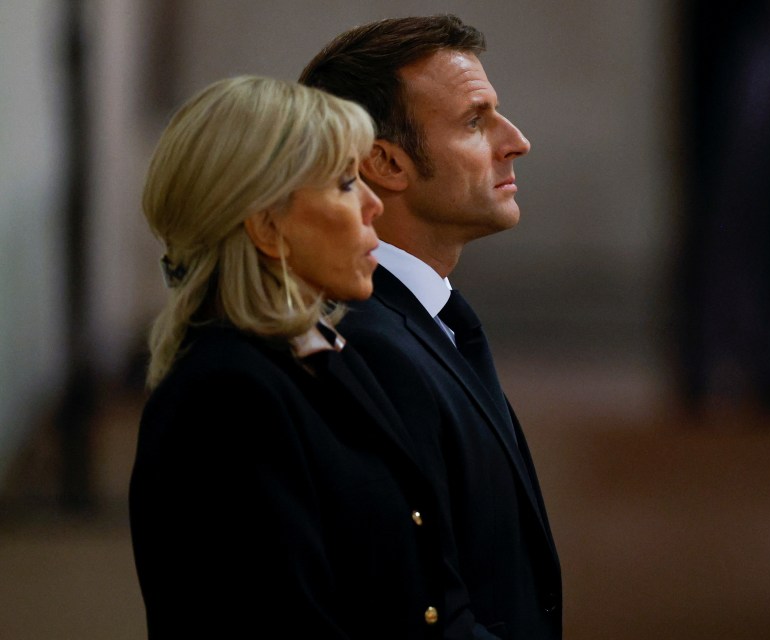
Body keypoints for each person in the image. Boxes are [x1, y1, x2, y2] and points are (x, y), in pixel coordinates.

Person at [128, 76, 460, 638]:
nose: (375, 205)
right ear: (267, 226)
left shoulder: (322, 352)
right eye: (346, 182)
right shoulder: (227, 399)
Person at [300, 15, 562, 639]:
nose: (515, 140)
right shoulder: (371, 345)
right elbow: (411, 609)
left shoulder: (423, 317)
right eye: (475, 122)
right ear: (385, 163)